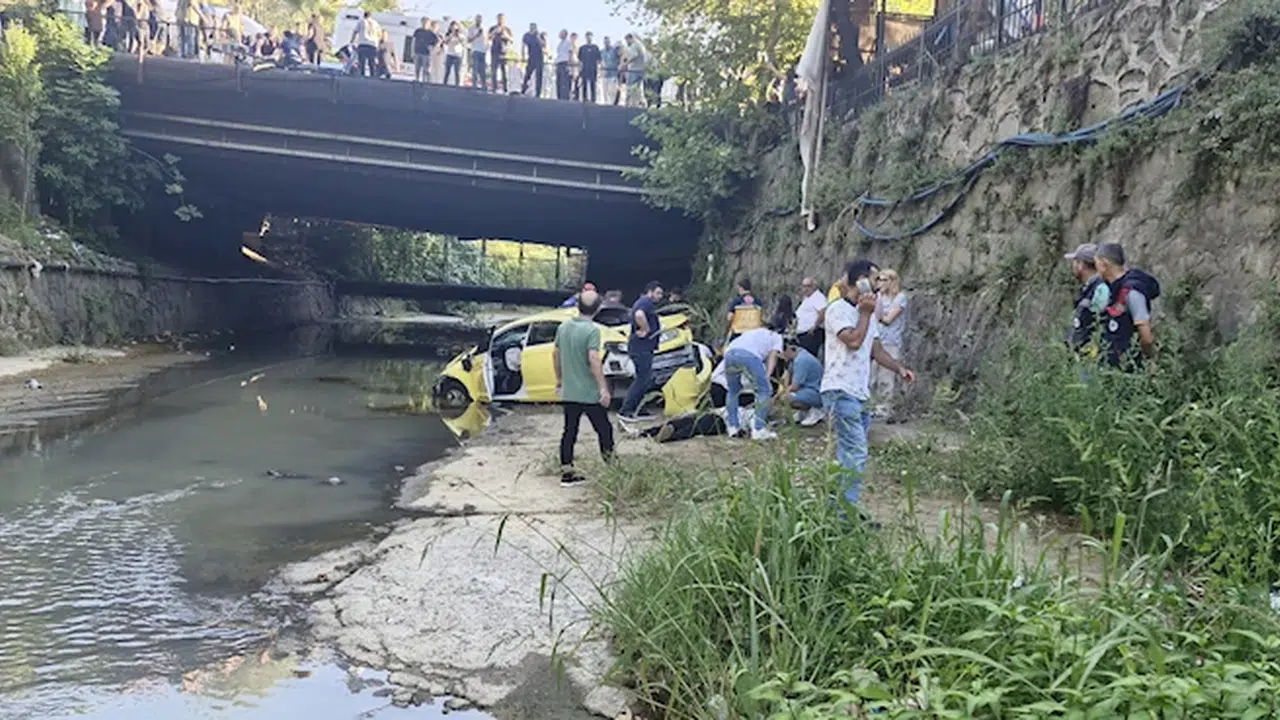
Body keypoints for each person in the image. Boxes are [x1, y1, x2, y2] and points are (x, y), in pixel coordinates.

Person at [822, 260, 915, 506]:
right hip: (840, 389)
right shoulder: (837, 310)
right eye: (875, 280)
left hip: (859, 393)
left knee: (848, 454)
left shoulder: (869, 315)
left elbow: (876, 350)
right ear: (861, 281)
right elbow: (853, 341)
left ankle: (838, 507)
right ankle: (845, 513)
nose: (878, 286)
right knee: (856, 452)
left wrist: (899, 368)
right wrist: (864, 313)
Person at [553, 290, 614, 487]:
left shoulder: (563, 327)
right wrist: (603, 388)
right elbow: (594, 359)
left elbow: (555, 354)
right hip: (589, 392)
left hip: (569, 391)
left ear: (577, 305)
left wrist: (559, 380)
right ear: (597, 309)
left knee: (569, 431)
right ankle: (613, 468)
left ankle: (567, 473)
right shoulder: (592, 330)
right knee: (604, 429)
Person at [1095, 242, 1159, 369]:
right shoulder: (1113, 289)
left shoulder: (1132, 292)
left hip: (1129, 369)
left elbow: (1146, 337)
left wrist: (1150, 361)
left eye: (1096, 263)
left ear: (1103, 264)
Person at [723, 323, 783, 440]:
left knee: (733, 390)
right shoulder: (777, 337)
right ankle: (759, 429)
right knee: (764, 390)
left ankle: (733, 426)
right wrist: (767, 376)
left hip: (730, 352)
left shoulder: (754, 331)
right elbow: (772, 357)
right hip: (750, 355)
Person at [619, 281, 663, 420]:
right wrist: (646, 329)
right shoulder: (645, 302)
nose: (660, 296)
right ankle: (626, 410)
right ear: (650, 292)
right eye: (658, 293)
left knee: (645, 379)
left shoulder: (645, 303)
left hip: (644, 348)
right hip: (641, 347)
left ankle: (639, 408)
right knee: (642, 379)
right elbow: (639, 314)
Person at [872, 269, 909, 418]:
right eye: (879, 279)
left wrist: (875, 311)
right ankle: (872, 405)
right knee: (872, 374)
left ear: (892, 281)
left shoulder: (900, 298)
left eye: (884, 280)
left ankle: (884, 408)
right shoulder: (879, 297)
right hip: (876, 339)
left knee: (886, 376)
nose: (880, 283)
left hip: (891, 341)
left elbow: (888, 319)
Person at [1064, 243, 1110, 358]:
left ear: (1081, 265)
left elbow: (1099, 322)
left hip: (1092, 357)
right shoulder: (1089, 288)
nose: (1073, 266)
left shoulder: (1100, 289)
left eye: (1075, 262)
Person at [784, 340, 824, 426]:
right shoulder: (798, 356)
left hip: (816, 392)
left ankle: (816, 410)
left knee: (788, 397)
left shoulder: (801, 360)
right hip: (809, 389)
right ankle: (804, 412)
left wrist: (783, 393)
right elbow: (788, 374)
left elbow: (795, 386)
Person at [795, 276, 827, 358]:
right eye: (804, 286)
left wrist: (815, 326)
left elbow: (823, 311)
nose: (805, 289)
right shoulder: (807, 298)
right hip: (803, 334)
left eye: (808, 286)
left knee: (808, 357)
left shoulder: (818, 297)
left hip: (811, 334)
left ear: (814, 286)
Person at [351, 10, 380, 77]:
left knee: (362, 63)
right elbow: (379, 34)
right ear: (371, 16)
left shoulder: (361, 21)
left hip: (363, 44)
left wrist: (352, 41)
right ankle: (372, 76)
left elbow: (355, 32)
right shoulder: (375, 23)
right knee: (371, 63)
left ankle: (362, 76)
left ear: (364, 15)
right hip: (372, 45)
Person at [622, 34, 647, 107]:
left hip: (634, 70)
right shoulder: (641, 45)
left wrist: (625, 64)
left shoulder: (634, 45)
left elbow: (633, 56)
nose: (626, 42)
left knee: (630, 87)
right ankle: (638, 103)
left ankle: (628, 104)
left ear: (630, 38)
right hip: (641, 70)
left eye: (627, 40)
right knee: (638, 88)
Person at [489, 14, 512, 92]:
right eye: (499, 19)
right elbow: (489, 37)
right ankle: (494, 87)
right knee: (494, 70)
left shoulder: (507, 29)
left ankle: (505, 88)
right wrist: (495, 31)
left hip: (503, 52)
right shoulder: (493, 28)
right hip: (494, 51)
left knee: (504, 70)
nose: (500, 20)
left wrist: (506, 35)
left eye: (502, 19)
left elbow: (511, 40)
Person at [411, 17, 437, 83]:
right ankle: (417, 79)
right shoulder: (417, 31)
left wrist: (432, 48)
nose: (425, 23)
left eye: (426, 22)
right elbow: (413, 41)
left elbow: (436, 43)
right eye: (423, 22)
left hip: (426, 53)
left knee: (425, 68)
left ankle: (424, 81)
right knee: (417, 67)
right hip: (417, 52)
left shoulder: (431, 33)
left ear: (429, 23)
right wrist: (412, 52)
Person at [521, 23, 544, 97]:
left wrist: (538, 37)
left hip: (539, 57)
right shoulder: (526, 35)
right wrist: (523, 56)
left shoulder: (539, 35)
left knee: (539, 75)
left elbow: (543, 45)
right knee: (528, 73)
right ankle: (523, 90)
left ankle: (538, 93)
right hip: (531, 57)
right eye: (531, 27)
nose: (533, 29)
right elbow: (523, 46)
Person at [468, 14, 487, 89]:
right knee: (475, 69)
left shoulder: (484, 28)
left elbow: (486, 39)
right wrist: (477, 35)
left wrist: (486, 47)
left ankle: (484, 85)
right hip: (475, 50)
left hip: (483, 51)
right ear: (475, 20)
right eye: (477, 19)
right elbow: (469, 40)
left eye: (480, 20)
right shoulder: (471, 28)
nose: (479, 21)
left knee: (482, 70)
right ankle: (474, 85)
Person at [443, 21, 464, 85]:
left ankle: (457, 85)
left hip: (457, 55)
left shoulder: (461, 35)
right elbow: (446, 42)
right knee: (447, 71)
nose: (454, 29)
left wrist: (457, 35)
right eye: (452, 27)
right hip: (450, 54)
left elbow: (462, 42)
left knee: (457, 72)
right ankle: (444, 84)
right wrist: (451, 35)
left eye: (455, 27)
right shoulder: (448, 34)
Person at [554, 29, 572, 100]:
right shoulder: (560, 43)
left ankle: (565, 97)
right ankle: (559, 96)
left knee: (564, 81)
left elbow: (570, 52)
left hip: (564, 62)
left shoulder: (568, 42)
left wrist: (569, 64)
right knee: (558, 81)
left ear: (565, 34)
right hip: (559, 62)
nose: (560, 34)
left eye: (561, 33)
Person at [602, 37, 620, 105]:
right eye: (605, 42)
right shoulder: (602, 51)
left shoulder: (614, 50)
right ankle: (605, 103)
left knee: (612, 91)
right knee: (605, 90)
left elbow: (621, 56)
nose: (606, 43)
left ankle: (612, 104)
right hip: (605, 74)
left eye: (607, 42)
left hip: (613, 74)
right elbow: (600, 61)